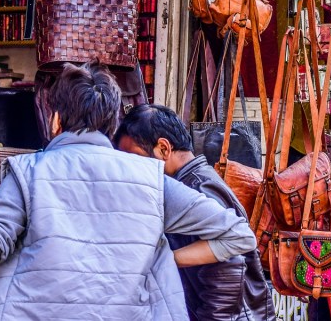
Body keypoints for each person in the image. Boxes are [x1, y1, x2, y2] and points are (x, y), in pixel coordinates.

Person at [0, 64, 257, 321]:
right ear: (111, 125)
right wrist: (165, 260)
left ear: (56, 121)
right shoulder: (150, 179)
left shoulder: (26, 173)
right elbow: (239, 236)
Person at [116, 104, 274, 321]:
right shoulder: (195, 181)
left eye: (135, 158)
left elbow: (226, 277)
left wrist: (166, 260)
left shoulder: (197, 189)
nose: (131, 169)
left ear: (164, 148)